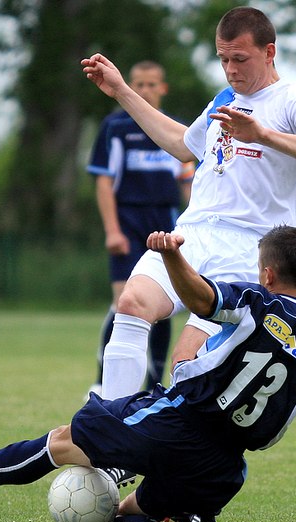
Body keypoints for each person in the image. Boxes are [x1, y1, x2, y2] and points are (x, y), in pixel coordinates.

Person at [0, 225, 296, 522]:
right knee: (132, 509)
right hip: (224, 472)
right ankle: (143, 521)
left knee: (64, 439)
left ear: (265, 274)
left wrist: (172, 256)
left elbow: (200, 298)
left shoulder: (257, 301)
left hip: (176, 422)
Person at [80, 7, 296, 403]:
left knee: (185, 361)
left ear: (269, 51)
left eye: (240, 59)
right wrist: (122, 90)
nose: (230, 69)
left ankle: (172, 454)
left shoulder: (293, 102)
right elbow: (181, 145)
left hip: (248, 249)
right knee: (132, 303)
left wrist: (263, 135)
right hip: (191, 235)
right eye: (223, 59)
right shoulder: (225, 98)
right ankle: (110, 441)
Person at [87, 60, 194, 395]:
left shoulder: (176, 130)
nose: (145, 90)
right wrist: (112, 230)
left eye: (151, 84)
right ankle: (103, 382)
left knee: (162, 305)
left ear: (163, 88)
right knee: (124, 303)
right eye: (138, 84)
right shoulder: (116, 127)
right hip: (129, 222)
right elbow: (104, 183)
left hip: (165, 223)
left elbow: (188, 183)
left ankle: (154, 382)